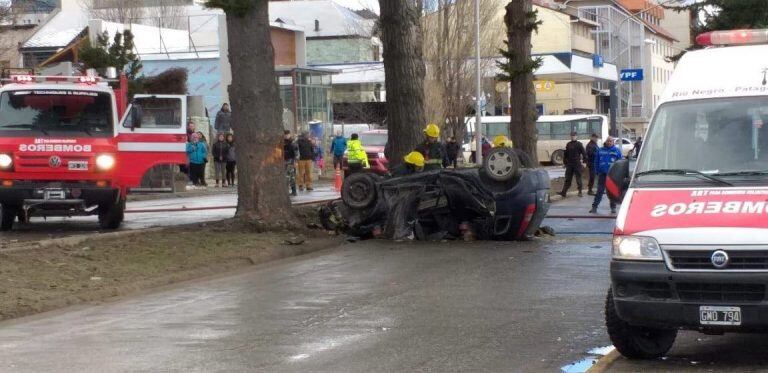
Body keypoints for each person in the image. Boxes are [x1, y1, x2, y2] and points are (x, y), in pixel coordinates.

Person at [590, 136, 623, 214]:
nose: (609, 142)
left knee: (612, 192)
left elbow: (620, 163)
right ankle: (594, 207)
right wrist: (597, 171)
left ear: (613, 142)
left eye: (610, 141)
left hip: (612, 176)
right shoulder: (600, 150)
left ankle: (613, 207)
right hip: (602, 175)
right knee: (599, 191)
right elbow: (596, 162)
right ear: (606, 141)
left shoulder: (617, 151)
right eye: (608, 141)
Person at [559, 131, 587, 198]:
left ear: (576, 136)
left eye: (574, 136)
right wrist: (565, 163)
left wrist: (585, 162)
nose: (573, 137)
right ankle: (564, 192)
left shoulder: (579, 144)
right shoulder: (568, 144)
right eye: (572, 135)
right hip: (569, 164)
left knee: (578, 178)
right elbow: (566, 155)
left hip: (577, 163)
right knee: (568, 178)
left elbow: (584, 153)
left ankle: (580, 192)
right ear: (570, 136)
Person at [284, 130, 298, 196]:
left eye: (287, 134)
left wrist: (295, 161)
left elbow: (296, 153)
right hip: (284, 161)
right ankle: (290, 191)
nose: (286, 136)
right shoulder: (282, 142)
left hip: (291, 161)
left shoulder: (293, 142)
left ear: (289, 134)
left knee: (290, 177)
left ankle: (292, 191)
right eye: (285, 134)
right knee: (288, 177)